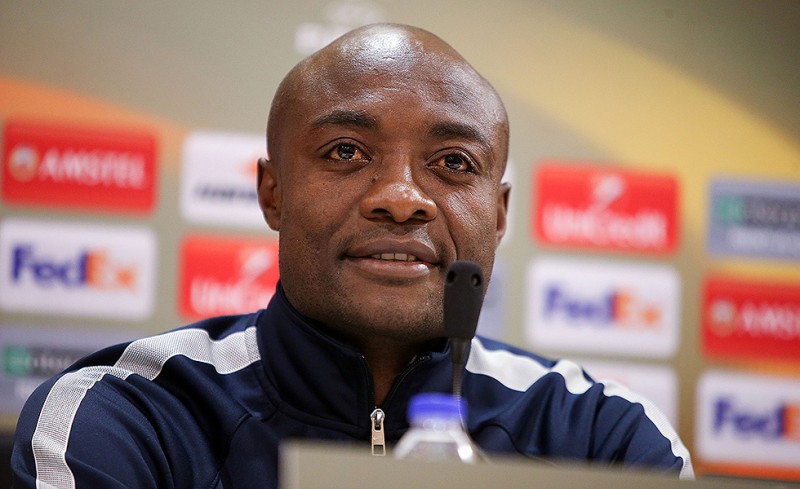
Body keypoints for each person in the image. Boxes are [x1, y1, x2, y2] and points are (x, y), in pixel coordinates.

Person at [11, 23, 693, 488]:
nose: (401, 198)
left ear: (499, 214)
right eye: (346, 151)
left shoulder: (605, 438)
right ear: (273, 193)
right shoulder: (126, 417)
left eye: (454, 162)